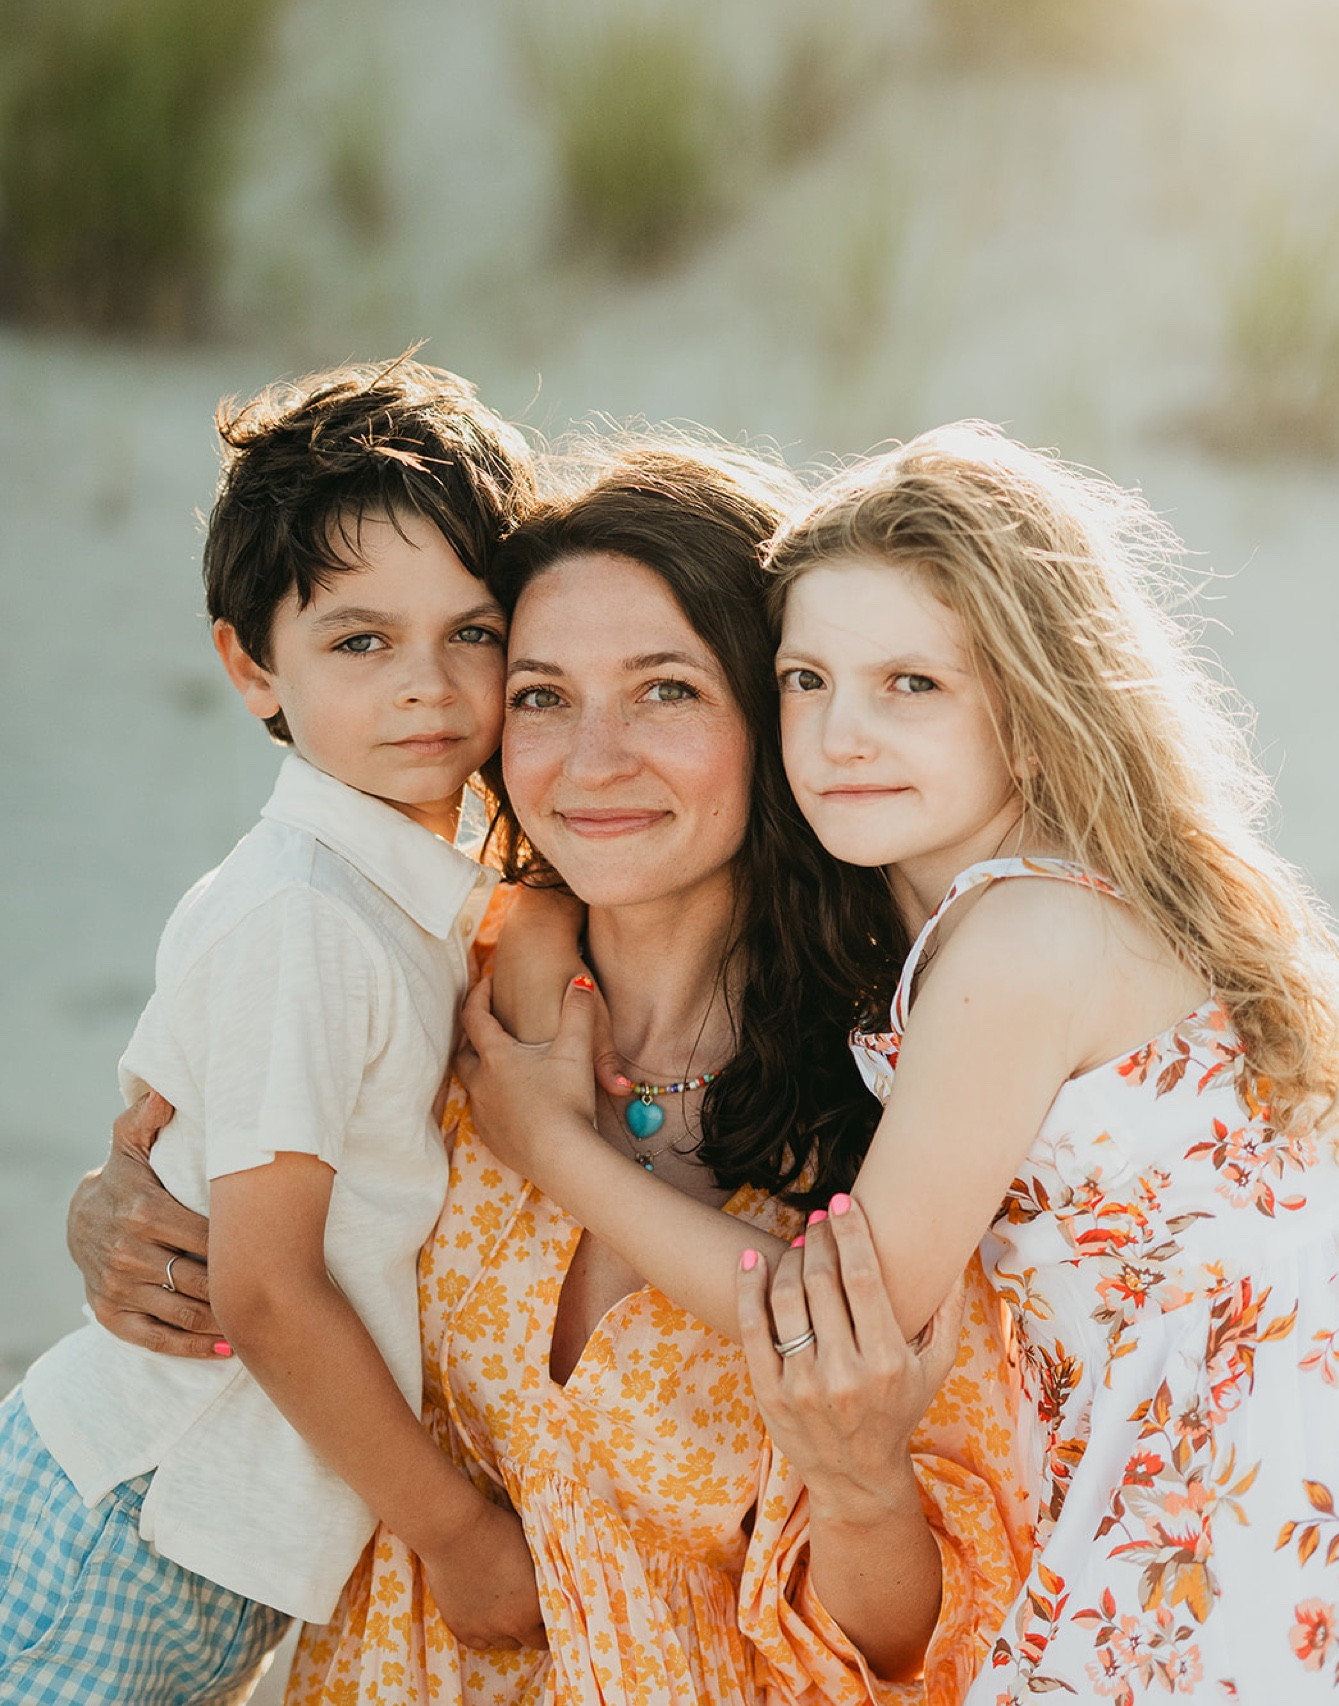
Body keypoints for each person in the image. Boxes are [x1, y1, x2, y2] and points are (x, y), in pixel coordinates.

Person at [66, 442, 1032, 1704]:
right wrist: (121, 1208)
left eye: (667, 690)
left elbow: (916, 1647)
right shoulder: (430, 989)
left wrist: (858, 1485)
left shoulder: (901, 1108)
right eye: (540, 694)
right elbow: (259, 1213)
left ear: (771, 712)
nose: (593, 758)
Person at [462, 424, 1339, 1702]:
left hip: (1232, 1504)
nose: (842, 735)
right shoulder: (977, 922)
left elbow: (845, 1324)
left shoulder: (1028, 934)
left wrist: (551, 1146)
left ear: (1041, 711)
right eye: (808, 679)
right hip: (1182, 1470)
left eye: (912, 685)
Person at [2, 359, 548, 1705]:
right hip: (133, 1511)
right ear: (251, 665)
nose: (425, 685)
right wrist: (461, 1537)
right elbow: (263, 1281)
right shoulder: (304, 916)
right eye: (358, 640)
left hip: (199, 1529)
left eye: (470, 633)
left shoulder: (401, 894)